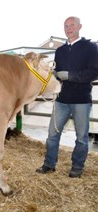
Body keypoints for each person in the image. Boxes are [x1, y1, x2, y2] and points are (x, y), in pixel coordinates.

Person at [36, 16, 98, 178]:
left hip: (81, 100)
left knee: (82, 138)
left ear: (80, 27)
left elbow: (94, 72)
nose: (68, 28)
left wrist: (71, 76)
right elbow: (57, 73)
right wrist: (53, 75)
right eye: (66, 26)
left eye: (72, 25)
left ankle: (77, 167)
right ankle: (49, 164)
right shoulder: (60, 51)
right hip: (61, 99)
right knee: (52, 135)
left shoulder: (90, 47)